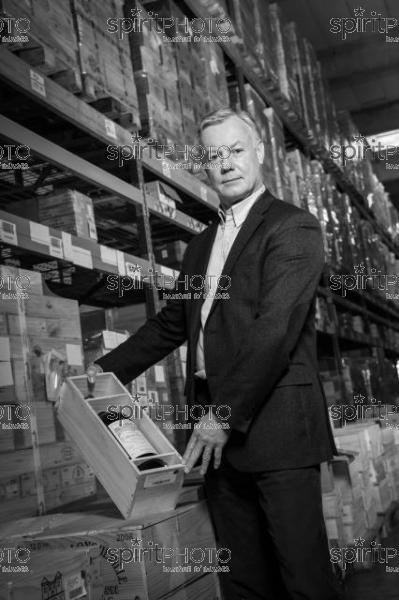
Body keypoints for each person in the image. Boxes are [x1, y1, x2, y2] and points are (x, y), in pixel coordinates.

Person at [92, 108, 345, 600]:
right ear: (204, 167)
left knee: (303, 578)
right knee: (244, 578)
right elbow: (172, 324)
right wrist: (100, 371)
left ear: (259, 153)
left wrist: (224, 415)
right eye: (214, 155)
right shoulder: (199, 247)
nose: (226, 163)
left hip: (274, 428)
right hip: (213, 435)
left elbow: (274, 330)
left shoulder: (294, 228)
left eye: (236, 150)